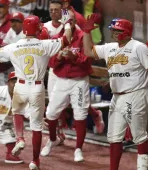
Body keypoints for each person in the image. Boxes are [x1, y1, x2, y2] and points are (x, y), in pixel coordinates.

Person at [0, 12, 72, 170]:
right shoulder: (45, 44)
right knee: (36, 127)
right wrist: (67, 21)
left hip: (20, 85)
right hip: (37, 87)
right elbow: (67, 39)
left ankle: (19, 138)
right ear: (37, 29)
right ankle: (35, 160)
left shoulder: (14, 46)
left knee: (17, 112)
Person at [83, 15, 148, 170]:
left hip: (136, 93)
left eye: (117, 30)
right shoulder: (110, 47)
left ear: (126, 32)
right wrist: (87, 32)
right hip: (117, 95)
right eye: (112, 30)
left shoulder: (138, 47)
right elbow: (88, 51)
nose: (113, 33)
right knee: (114, 137)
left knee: (138, 135)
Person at [45, 0, 104, 143]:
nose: (55, 12)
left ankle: (94, 114)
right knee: (55, 105)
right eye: (52, 9)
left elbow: (87, 47)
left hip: (76, 73)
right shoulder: (47, 27)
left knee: (75, 104)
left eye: (58, 9)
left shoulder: (77, 18)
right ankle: (58, 135)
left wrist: (74, 57)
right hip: (56, 69)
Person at [40, 10, 93, 162]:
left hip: (79, 80)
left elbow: (89, 61)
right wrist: (59, 58)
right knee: (51, 113)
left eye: (70, 21)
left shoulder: (83, 37)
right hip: (62, 80)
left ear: (75, 21)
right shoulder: (57, 38)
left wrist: (74, 57)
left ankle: (78, 149)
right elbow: (50, 63)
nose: (68, 23)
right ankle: (52, 140)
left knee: (80, 115)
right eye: (66, 21)